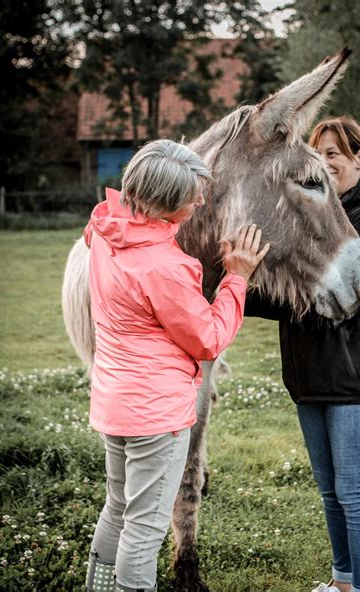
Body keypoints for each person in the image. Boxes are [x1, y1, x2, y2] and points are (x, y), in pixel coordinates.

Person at [83, 139, 270, 592]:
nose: (202, 201)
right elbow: (207, 340)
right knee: (145, 529)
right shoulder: (166, 266)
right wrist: (237, 278)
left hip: (115, 403)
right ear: (167, 206)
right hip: (157, 415)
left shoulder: (104, 230)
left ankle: (100, 587)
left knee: (118, 506)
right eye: (193, 196)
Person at [246, 116, 360, 592]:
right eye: (318, 153)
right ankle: (342, 583)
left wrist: (243, 289)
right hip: (311, 375)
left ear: (359, 158)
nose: (325, 161)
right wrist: (232, 282)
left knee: (355, 494)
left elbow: (338, 298)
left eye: (334, 152)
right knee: (333, 493)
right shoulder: (308, 215)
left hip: (358, 378)